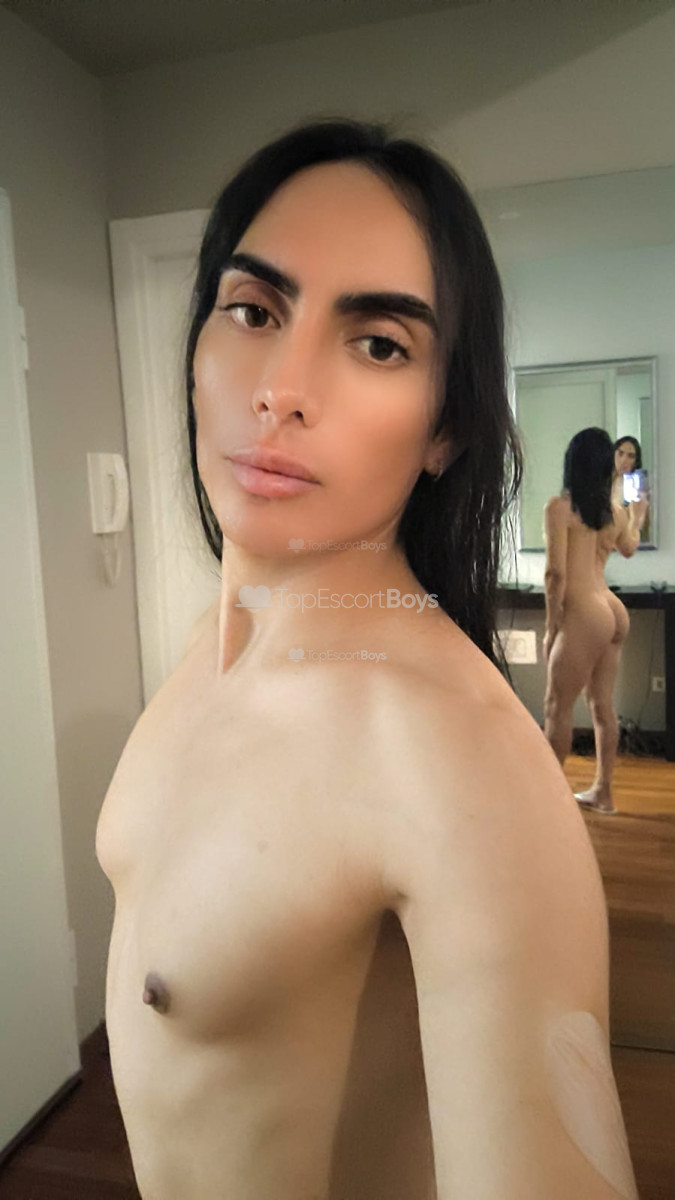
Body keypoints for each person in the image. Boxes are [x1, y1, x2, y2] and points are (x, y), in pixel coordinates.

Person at [96, 120, 639, 1199]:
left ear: (445, 430)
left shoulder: (455, 756)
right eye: (254, 311)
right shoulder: (209, 652)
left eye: (379, 343)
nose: (281, 387)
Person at [542, 427, 649, 815]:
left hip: (585, 613)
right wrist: (637, 517)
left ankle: (549, 802)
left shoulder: (559, 509)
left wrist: (552, 627)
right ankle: (603, 792)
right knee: (602, 705)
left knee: (556, 707)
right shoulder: (615, 513)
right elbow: (629, 547)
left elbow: (556, 574)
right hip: (611, 609)